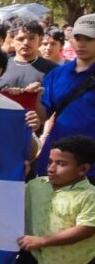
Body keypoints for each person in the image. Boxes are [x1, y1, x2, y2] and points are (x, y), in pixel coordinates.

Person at [3, 135, 95, 264]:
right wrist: (19, 177)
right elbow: (13, 200)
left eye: (61, 164)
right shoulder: (36, 185)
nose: (52, 168)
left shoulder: (89, 195)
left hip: (71, 262)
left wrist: (43, 241)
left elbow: (86, 228)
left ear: (83, 169)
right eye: (50, 162)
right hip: (34, 255)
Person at [34, 14, 95, 178]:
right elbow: (42, 116)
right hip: (56, 162)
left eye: (89, 39)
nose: (81, 44)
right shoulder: (57, 74)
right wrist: (35, 99)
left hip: (90, 166)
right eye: (78, 37)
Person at [0, 19, 58, 110]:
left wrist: (42, 92)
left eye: (31, 38)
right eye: (20, 39)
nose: (26, 43)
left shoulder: (53, 70)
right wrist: (5, 92)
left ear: (40, 40)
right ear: (12, 41)